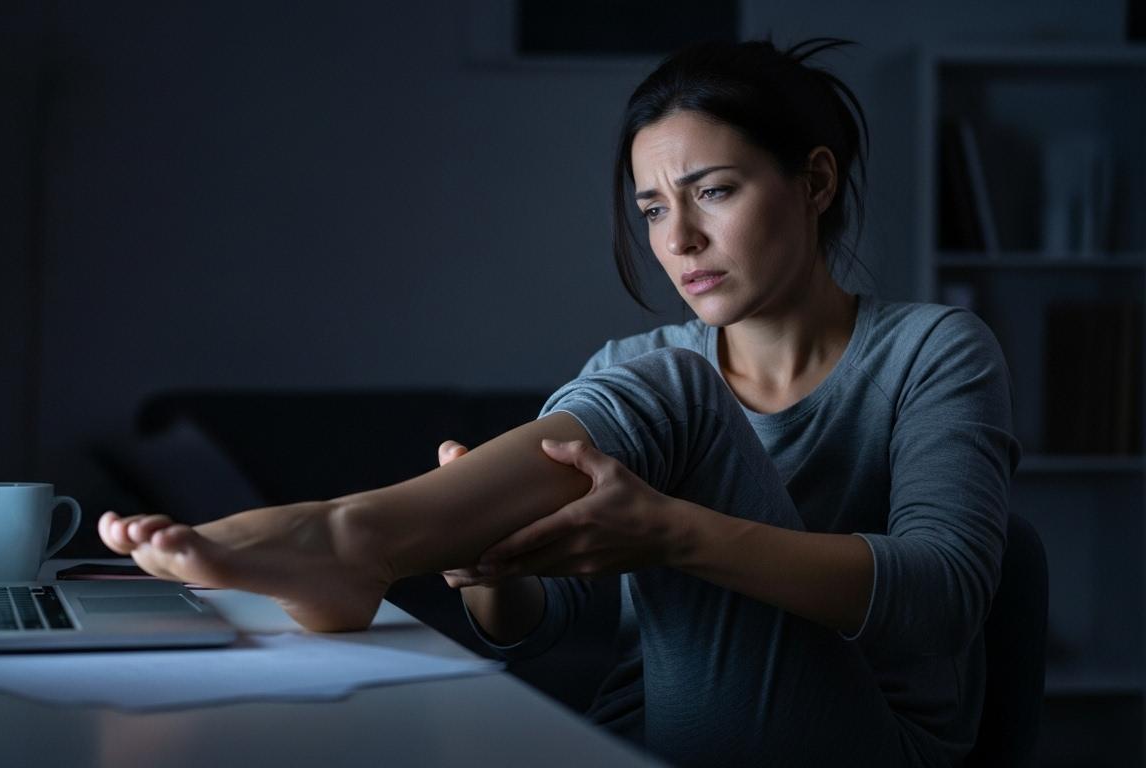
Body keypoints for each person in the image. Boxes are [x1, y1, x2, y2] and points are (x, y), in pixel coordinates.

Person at [97, 37, 1020, 767]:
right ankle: (360, 542)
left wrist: (676, 533)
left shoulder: (934, 350)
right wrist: (488, 566)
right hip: (649, 729)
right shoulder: (638, 365)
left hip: (860, 740)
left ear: (814, 182)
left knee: (676, 385)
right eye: (653, 208)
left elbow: (944, 597)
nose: (680, 238)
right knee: (657, 374)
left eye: (716, 192)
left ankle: (348, 540)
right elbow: (551, 627)